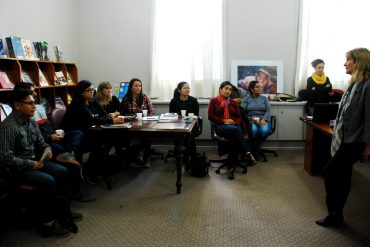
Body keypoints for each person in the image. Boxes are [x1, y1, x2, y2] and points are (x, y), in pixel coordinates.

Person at [0, 87, 79, 237]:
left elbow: (41, 143)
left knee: (62, 171)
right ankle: (47, 222)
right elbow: (5, 158)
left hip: (35, 162)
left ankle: (63, 211)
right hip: (18, 170)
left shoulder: (31, 122)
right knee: (48, 181)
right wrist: (31, 164)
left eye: (34, 103)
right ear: (17, 105)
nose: (34, 106)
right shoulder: (8, 127)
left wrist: (47, 150)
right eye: (30, 103)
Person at [315, 48, 370, 228]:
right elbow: (350, 109)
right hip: (346, 137)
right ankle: (337, 214)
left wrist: (368, 146)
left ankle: (334, 212)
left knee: (330, 171)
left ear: (358, 62)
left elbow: (369, 118)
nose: (344, 64)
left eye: (348, 60)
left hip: (355, 140)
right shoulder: (355, 83)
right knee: (344, 174)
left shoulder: (368, 85)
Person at [62, 80, 124, 184]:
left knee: (106, 140)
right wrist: (111, 120)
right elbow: (91, 120)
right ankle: (90, 171)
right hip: (76, 136)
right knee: (100, 142)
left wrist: (104, 119)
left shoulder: (92, 101)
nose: (92, 92)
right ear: (81, 92)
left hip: (89, 132)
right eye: (89, 90)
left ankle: (94, 168)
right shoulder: (77, 103)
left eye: (92, 90)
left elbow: (104, 114)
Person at [208, 81, 257, 179]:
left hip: (234, 127)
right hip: (220, 127)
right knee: (236, 131)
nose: (228, 91)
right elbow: (210, 116)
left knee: (234, 136)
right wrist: (224, 121)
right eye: (226, 88)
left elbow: (239, 117)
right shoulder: (213, 101)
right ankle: (247, 153)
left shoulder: (233, 102)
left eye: (230, 90)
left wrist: (233, 122)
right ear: (220, 89)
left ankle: (231, 167)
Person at [121, 78, 155, 167]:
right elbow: (123, 113)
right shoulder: (126, 99)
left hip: (145, 123)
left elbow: (152, 112)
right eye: (136, 86)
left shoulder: (145, 97)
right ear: (131, 87)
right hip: (131, 124)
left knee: (146, 135)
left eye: (140, 86)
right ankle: (135, 155)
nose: (138, 88)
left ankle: (146, 157)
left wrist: (145, 115)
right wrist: (132, 117)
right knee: (128, 136)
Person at [169, 82, 200, 165]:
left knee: (189, 139)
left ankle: (190, 158)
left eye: (188, 88)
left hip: (191, 124)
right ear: (179, 90)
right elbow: (171, 114)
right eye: (185, 88)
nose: (188, 89)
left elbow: (196, 115)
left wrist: (188, 117)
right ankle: (180, 156)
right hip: (177, 125)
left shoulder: (193, 100)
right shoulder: (174, 101)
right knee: (178, 139)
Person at [240, 80, 272, 158]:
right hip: (252, 120)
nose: (260, 88)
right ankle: (255, 150)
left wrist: (264, 119)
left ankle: (254, 148)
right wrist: (250, 118)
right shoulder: (246, 99)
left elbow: (268, 111)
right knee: (254, 131)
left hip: (263, 119)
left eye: (260, 87)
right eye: (257, 87)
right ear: (251, 89)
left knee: (264, 131)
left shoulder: (264, 99)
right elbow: (242, 112)